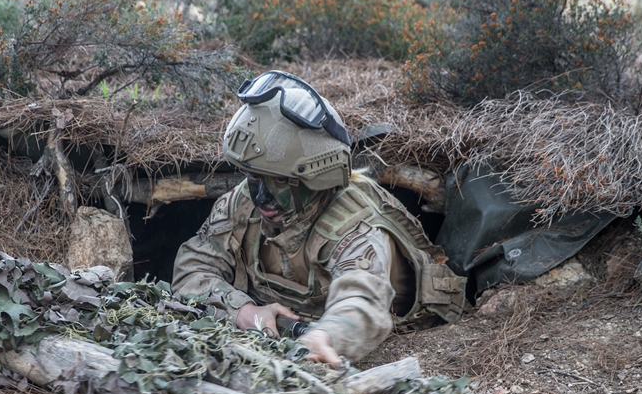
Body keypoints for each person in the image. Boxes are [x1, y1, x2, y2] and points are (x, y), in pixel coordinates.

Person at [173, 71, 466, 365]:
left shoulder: (354, 227)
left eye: (282, 182)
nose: (262, 197)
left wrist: (325, 337)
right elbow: (193, 268)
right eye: (253, 176)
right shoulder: (243, 203)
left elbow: (362, 302)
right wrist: (244, 310)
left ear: (317, 178)